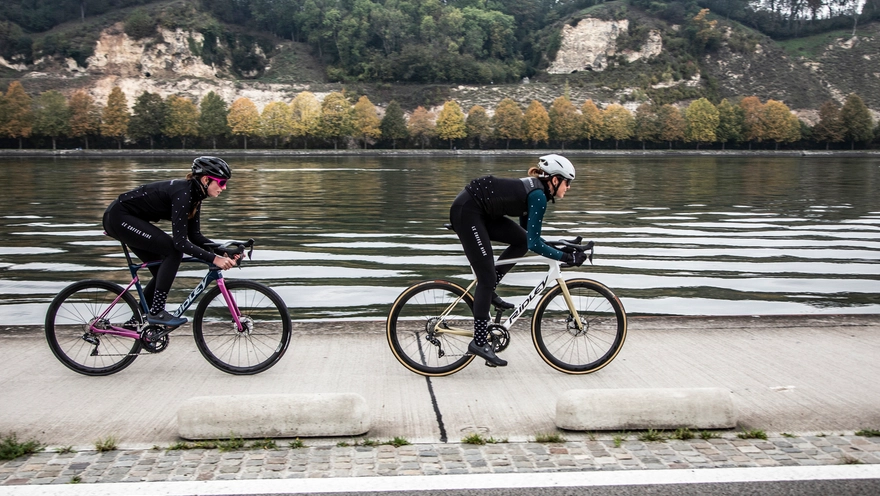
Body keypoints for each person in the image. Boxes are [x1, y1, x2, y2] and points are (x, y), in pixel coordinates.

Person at [448, 154, 588, 367]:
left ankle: (491, 287)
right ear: (554, 180)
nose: (568, 187)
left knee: (520, 242)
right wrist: (566, 257)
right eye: (567, 182)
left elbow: (529, 238)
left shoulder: (537, 193)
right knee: (485, 278)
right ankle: (478, 341)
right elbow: (536, 245)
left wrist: (562, 245)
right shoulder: (539, 197)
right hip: (468, 212)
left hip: (478, 211)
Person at [103, 156, 238, 328]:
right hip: (119, 218)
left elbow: (195, 236)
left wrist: (224, 251)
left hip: (127, 219)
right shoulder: (183, 194)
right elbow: (180, 243)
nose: (224, 188)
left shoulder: (195, 196)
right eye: (221, 182)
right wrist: (214, 259)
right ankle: (158, 311)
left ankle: (137, 319)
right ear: (206, 179)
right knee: (173, 251)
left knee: (161, 268)